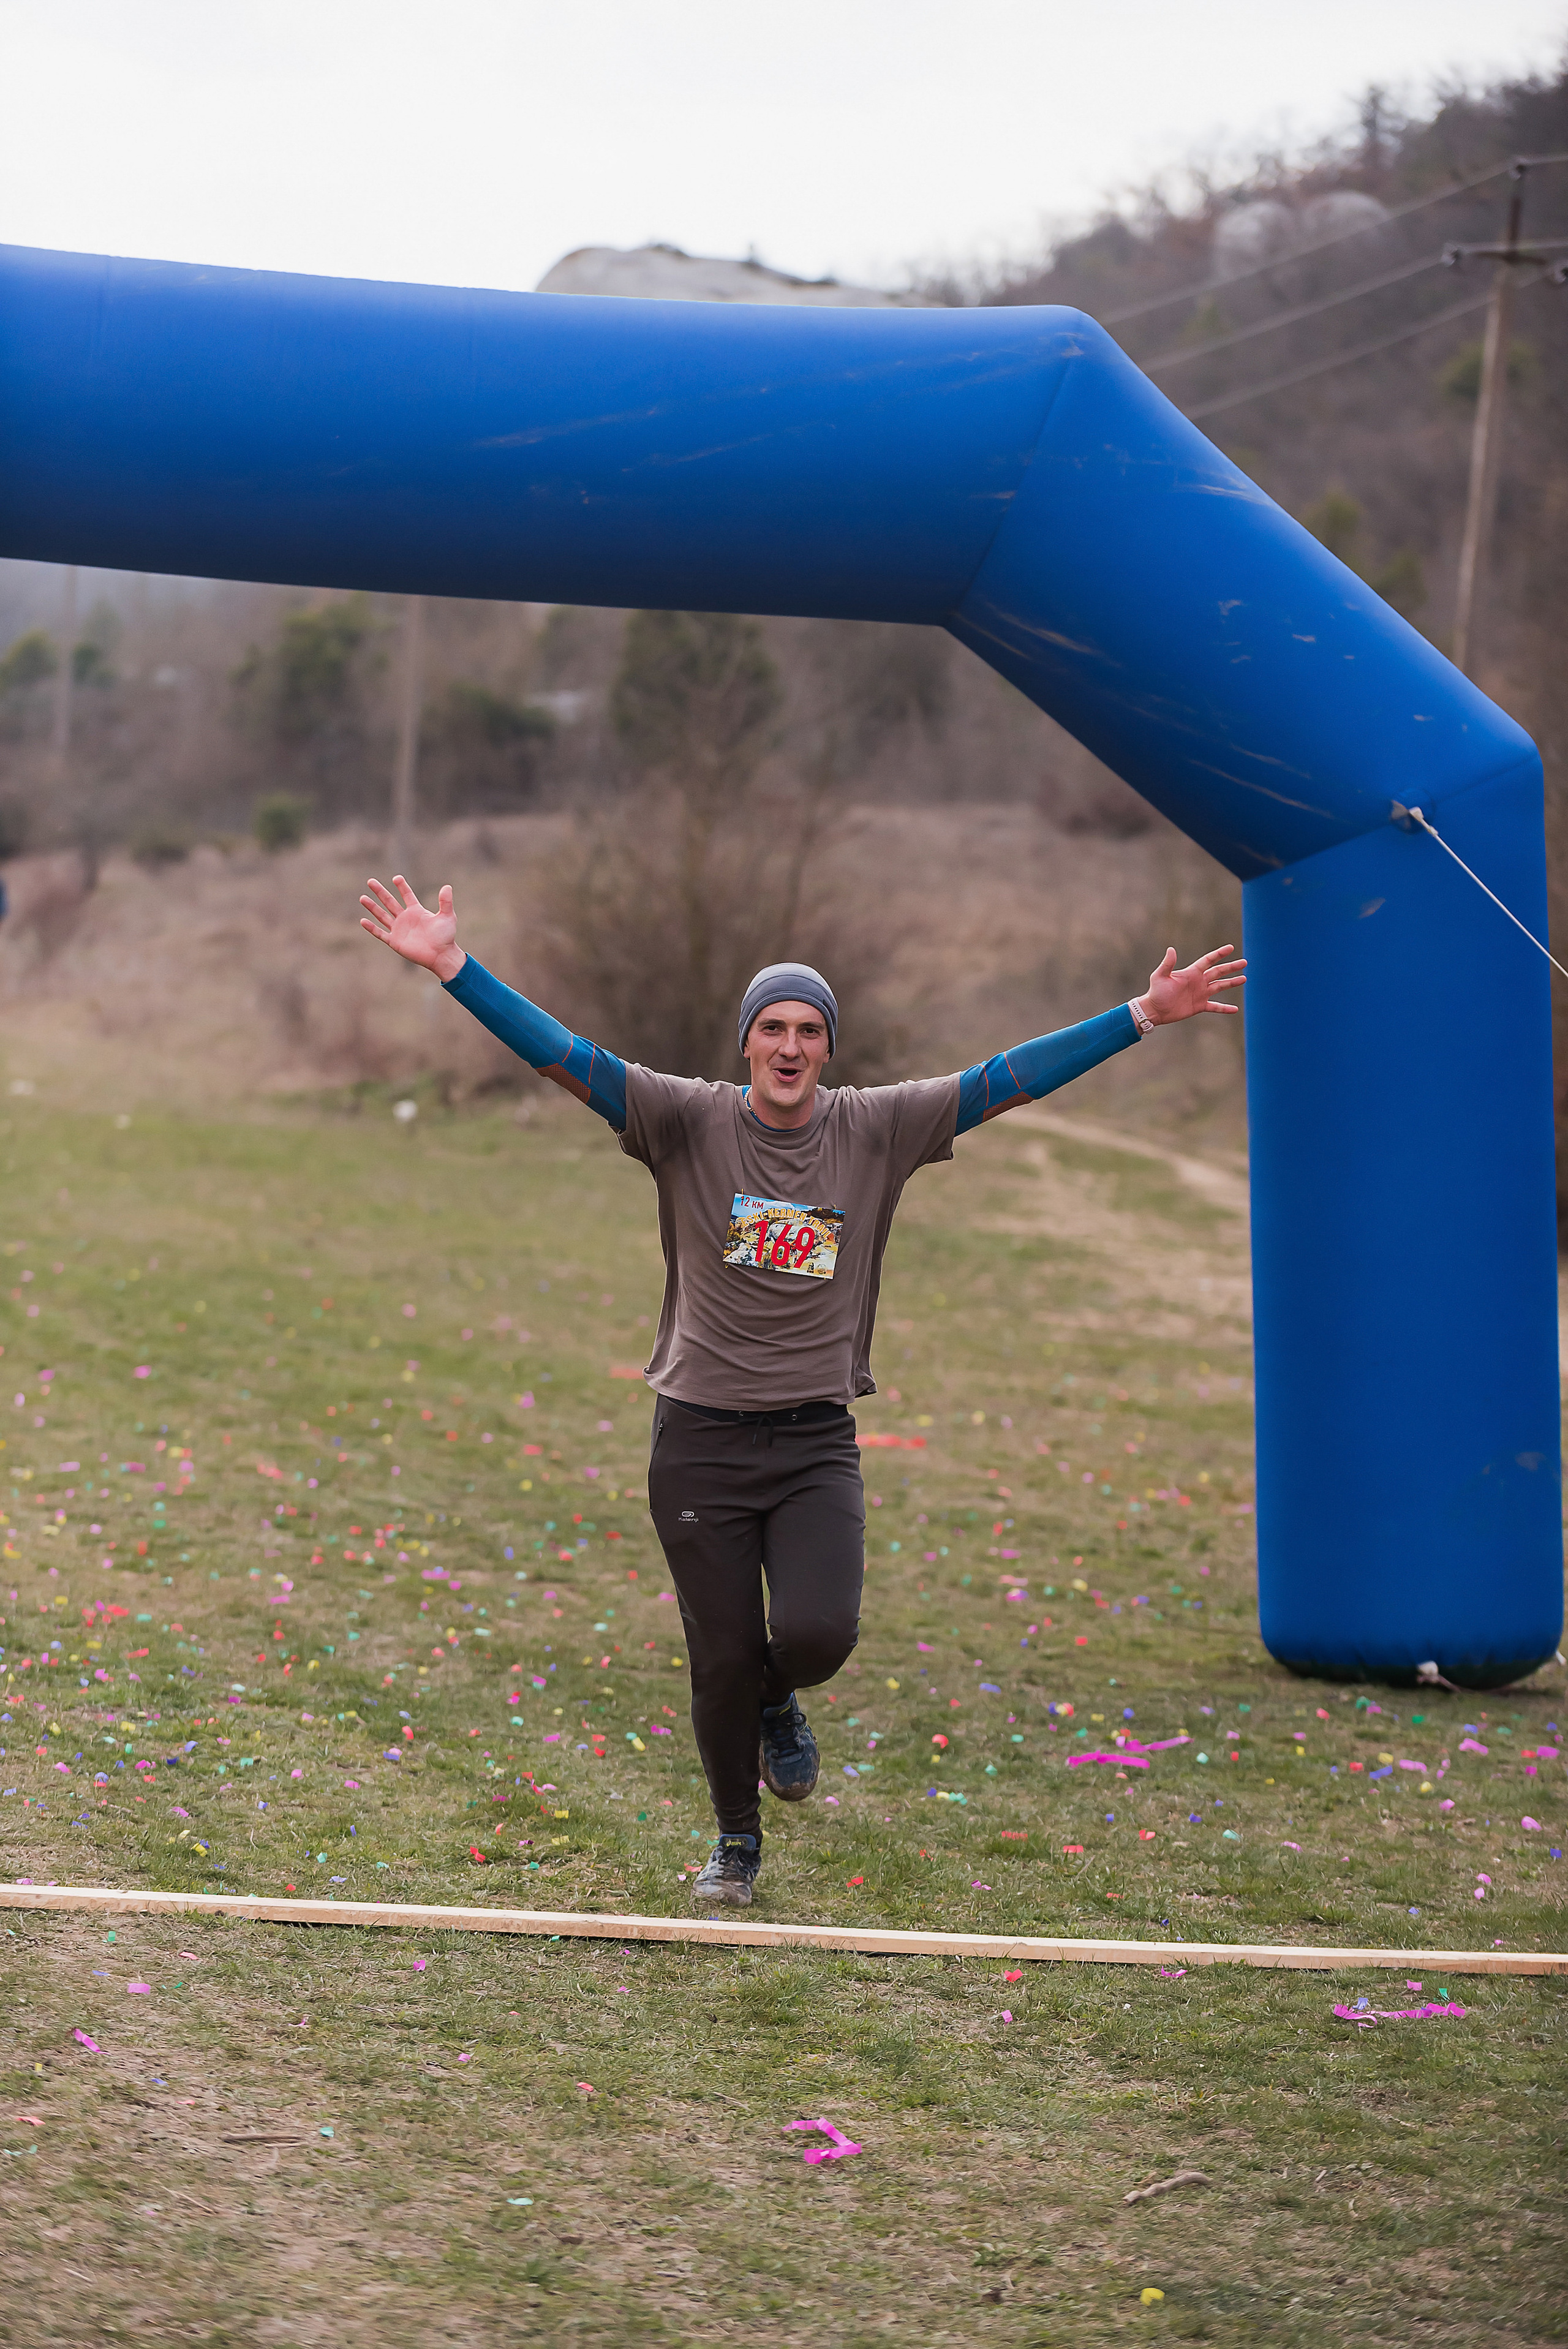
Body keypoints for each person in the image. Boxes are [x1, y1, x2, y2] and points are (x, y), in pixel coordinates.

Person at [359, 874, 1243, 1906]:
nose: (788, 1047)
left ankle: (776, 1700)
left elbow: (1009, 1079)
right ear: (747, 1042)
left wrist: (1142, 1016)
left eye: (807, 1031)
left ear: (829, 1046)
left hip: (815, 1439)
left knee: (819, 1633)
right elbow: (566, 1056)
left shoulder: (878, 1129)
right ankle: (736, 1845)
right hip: (698, 1440)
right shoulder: (684, 1120)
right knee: (719, 1650)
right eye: (771, 1028)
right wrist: (454, 969)